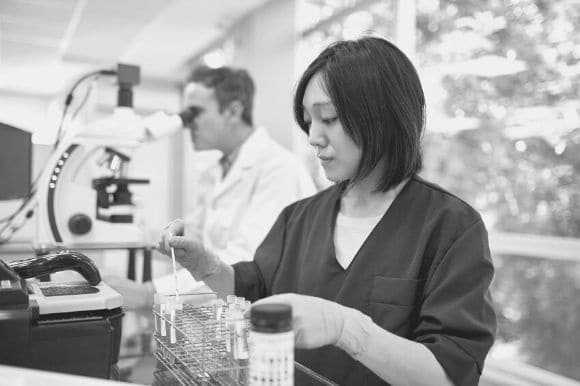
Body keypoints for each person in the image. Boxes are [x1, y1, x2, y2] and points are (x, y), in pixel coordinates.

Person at [158, 37, 496, 385]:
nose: (313, 137)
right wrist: (207, 266)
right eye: (308, 121)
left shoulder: (450, 227)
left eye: (329, 118)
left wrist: (347, 328)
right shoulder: (299, 218)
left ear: (384, 114)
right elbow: (257, 288)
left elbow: (449, 375)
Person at [106, 65, 316, 308]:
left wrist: (148, 293)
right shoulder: (214, 170)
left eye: (194, 113)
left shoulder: (278, 169)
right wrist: (159, 238)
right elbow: (199, 243)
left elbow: (246, 264)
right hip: (225, 313)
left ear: (233, 111)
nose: (187, 124)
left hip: (266, 316)